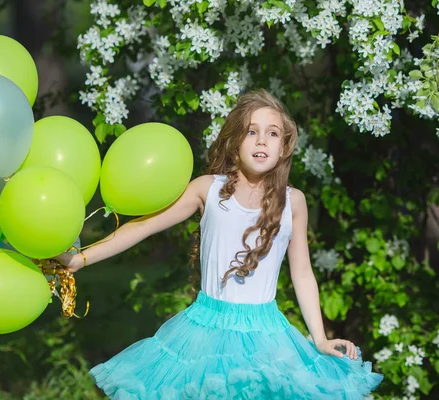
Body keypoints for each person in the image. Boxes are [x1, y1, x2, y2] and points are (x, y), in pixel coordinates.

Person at [56, 89, 383, 399]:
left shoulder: (293, 201)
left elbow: (302, 273)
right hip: (205, 332)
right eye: (251, 131)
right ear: (234, 142)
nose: (261, 140)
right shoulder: (207, 190)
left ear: (283, 147)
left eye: (272, 133)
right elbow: (143, 226)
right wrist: (79, 260)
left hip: (267, 335)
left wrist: (320, 338)